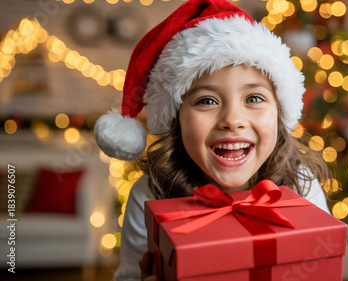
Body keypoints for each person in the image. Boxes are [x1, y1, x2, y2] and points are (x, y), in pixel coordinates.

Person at [94, 0, 333, 280]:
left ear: (280, 114)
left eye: (254, 98)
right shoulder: (149, 194)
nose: (232, 119)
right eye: (207, 100)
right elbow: (129, 275)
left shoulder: (301, 184)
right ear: (177, 120)